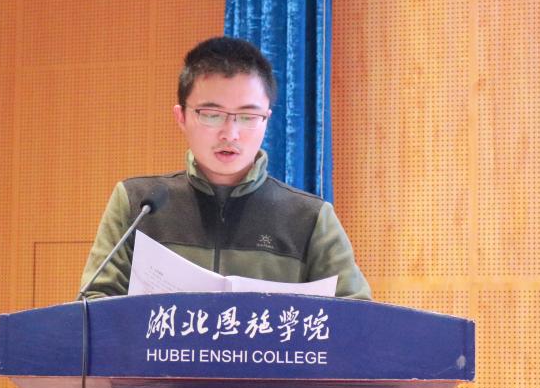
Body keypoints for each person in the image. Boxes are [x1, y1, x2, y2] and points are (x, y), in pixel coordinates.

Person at [79, 36, 371, 300]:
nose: (230, 133)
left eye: (247, 117)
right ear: (181, 117)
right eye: (212, 114)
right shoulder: (138, 204)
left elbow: (358, 320)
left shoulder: (309, 217)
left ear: (266, 120)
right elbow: (93, 304)